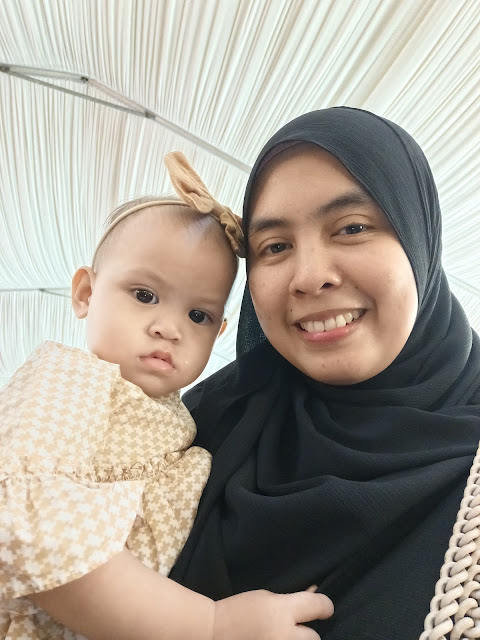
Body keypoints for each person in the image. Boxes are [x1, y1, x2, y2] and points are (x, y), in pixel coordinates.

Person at [169, 108, 480, 639]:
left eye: (352, 228)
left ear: (419, 237)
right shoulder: (201, 422)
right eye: (275, 247)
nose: (310, 277)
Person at [0, 151, 333, 640]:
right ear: (86, 293)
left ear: (220, 332)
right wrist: (211, 625)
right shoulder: (69, 377)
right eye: (144, 295)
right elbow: (29, 522)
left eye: (198, 316)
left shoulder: (189, 419)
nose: (169, 328)